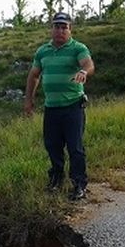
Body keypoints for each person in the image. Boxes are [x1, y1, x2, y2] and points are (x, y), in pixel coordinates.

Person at [24, 12, 95, 200]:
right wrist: (28, 100)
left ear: (70, 29)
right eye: (57, 26)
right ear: (52, 28)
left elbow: (89, 65)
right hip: (51, 108)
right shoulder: (42, 51)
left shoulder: (78, 48)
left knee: (75, 148)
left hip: (73, 107)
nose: (60, 30)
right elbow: (34, 76)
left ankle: (79, 184)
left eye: (64, 27)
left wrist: (83, 71)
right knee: (52, 146)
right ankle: (56, 179)